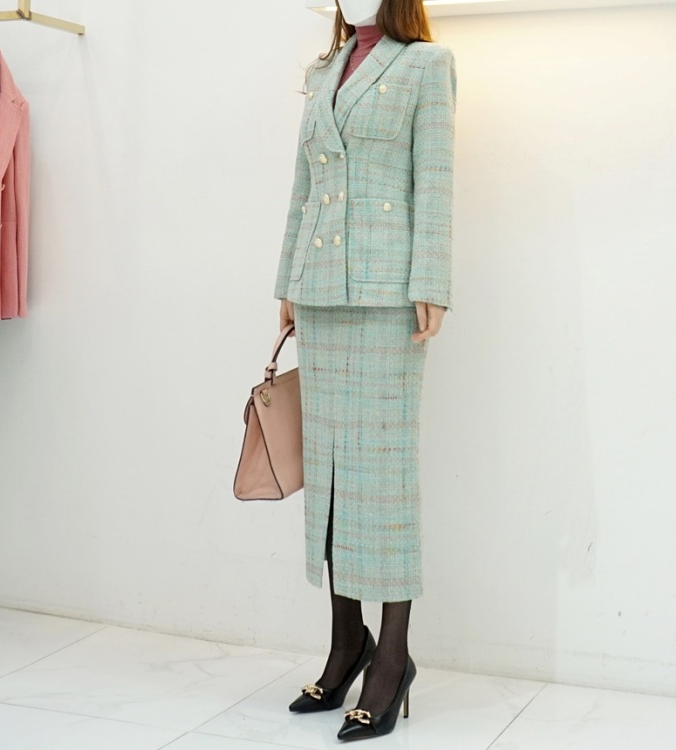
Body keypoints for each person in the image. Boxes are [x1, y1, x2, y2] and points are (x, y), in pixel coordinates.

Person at [274, 0, 457, 741]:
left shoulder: (427, 65)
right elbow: (303, 184)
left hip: (387, 295)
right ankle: (347, 642)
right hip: (320, 291)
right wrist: (287, 283)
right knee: (330, 474)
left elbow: (434, 179)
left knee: (382, 478)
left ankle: (393, 659)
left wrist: (431, 282)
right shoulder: (324, 69)